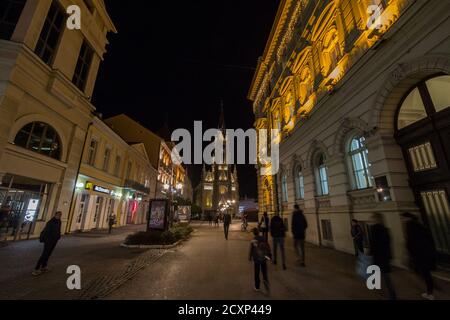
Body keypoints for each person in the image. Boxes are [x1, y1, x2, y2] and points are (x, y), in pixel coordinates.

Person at [401, 212, 437, 300]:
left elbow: (411, 241)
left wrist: (409, 251)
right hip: (423, 253)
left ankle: (430, 292)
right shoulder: (417, 225)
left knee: (425, 273)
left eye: (403, 218)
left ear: (407, 218)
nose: (402, 220)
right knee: (424, 272)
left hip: (420, 254)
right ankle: (430, 290)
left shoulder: (411, 226)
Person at [370, 213, 397, 300]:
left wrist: (370, 253)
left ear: (376, 219)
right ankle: (391, 294)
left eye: (373, 218)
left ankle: (378, 288)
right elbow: (388, 243)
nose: (372, 220)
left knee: (378, 273)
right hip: (385, 256)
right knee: (385, 275)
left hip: (378, 256)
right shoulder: (385, 229)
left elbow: (373, 244)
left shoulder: (375, 229)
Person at [33, 211, 62, 276]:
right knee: (44, 254)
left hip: (54, 240)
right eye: (58, 215)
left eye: (60, 215)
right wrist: (48, 240)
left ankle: (44, 266)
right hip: (49, 240)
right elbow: (47, 231)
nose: (59, 216)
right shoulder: (51, 222)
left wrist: (58, 237)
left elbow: (58, 230)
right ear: (55, 215)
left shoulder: (59, 222)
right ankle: (36, 269)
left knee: (48, 254)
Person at [248, 227, 271, 292]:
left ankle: (257, 286)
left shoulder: (253, 240)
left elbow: (251, 250)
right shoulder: (263, 238)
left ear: (253, 233)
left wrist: (250, 257)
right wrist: (269, 255)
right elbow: (268, 246)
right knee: (264, 271)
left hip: (257, 259)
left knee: (257, 273)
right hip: (264, 257)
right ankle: (265, 279)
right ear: (259, 232)